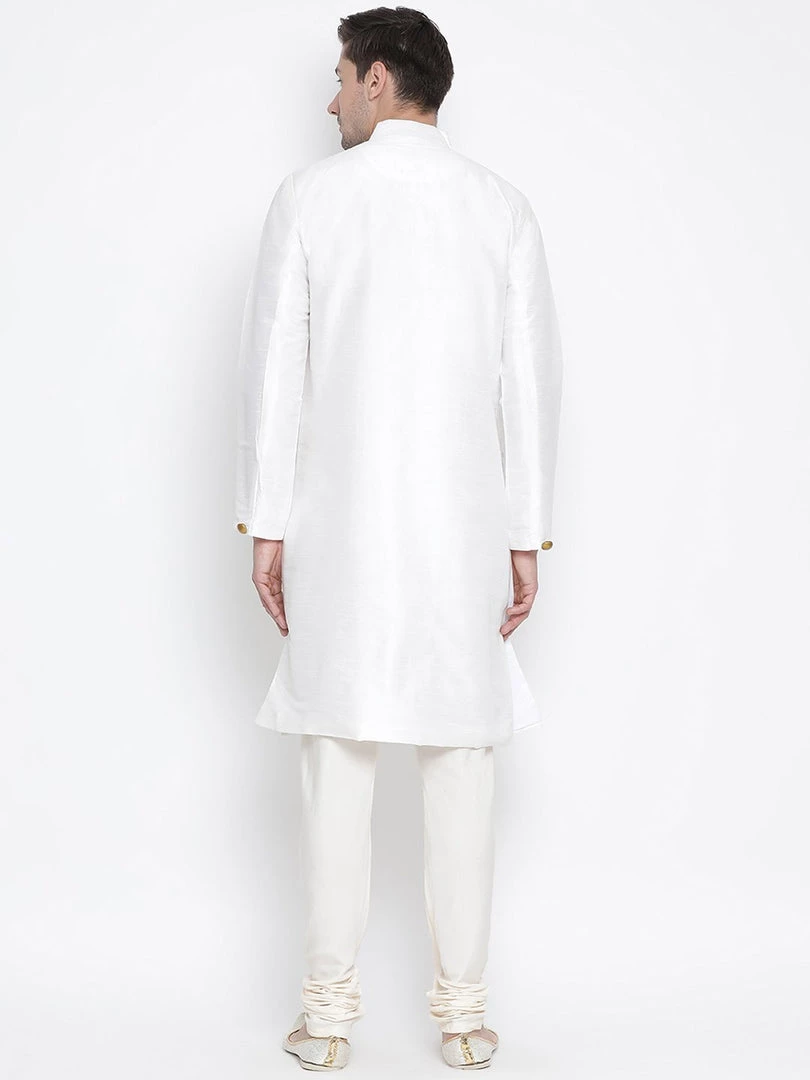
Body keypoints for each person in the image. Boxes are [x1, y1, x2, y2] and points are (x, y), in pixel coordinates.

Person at [234, 6, 563, 1070]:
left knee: (337, 759)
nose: (329, 98)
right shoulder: (501, 207)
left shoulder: (310, 198)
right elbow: (530, 387)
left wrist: (265, 525)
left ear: (378, 79)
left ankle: (327, 1021)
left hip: (338, 528)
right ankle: (463, 1018)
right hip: (463, 529)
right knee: (462, 761)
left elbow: (275, 374)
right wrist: (526, 535)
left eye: (339, 78)